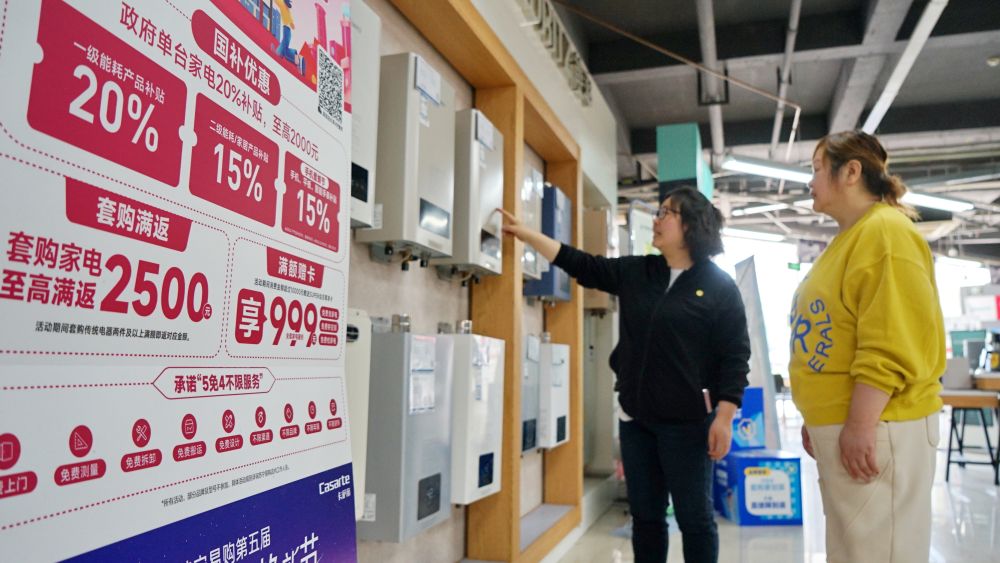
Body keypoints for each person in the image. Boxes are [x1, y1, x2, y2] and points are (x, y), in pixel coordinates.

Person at [499, 186, 750, 563]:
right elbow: (583, 265)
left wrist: (725, 418)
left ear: (690, 225)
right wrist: (527, 234)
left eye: (666, 213)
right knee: (646, 519)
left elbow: (735, 355)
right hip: (636, 421)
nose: (657, 219)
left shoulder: (719, 286)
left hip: (687, 425)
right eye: (659, 212)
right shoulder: (640, 271)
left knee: (694, 519)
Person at [790, 131, 944, 563]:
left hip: (881, 424)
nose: (810, 182)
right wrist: (818, 413)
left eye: (817, 169)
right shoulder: (851, 238)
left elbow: (890, 340)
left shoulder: (885, 233)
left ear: (851, 172)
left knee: (879, 553)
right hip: (851, 423)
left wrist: (859, 423)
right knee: (854, 552)